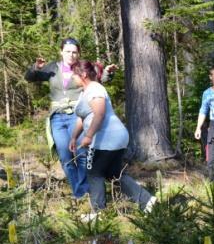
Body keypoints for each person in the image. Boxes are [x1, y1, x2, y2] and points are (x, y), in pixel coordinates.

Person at [24, 38, 117, 198]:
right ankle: (80, 191)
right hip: (57, 118)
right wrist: (35, 68)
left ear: (78, 53)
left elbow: (98, 79)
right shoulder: (53, 67)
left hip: (77, 116)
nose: (71, 55)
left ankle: (84, 193)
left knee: (82, 154)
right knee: (64, 155)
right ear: (61, 52)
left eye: (74, 52)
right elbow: (30, 77)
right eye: (68, 51)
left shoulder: (81, 68)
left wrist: (108, 72)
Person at [68, 60, 154, 213]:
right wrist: (74, 137)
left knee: (94, 173)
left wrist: (88, 136)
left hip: (107, 139)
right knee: (115, 174)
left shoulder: (95, 89)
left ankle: (99, 213)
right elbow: (82, 118)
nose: (72, 77)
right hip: (109, 139)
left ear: (83, 74)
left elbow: (99, 114)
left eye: (74, 74)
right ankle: (147, 202)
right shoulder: (85, 92)